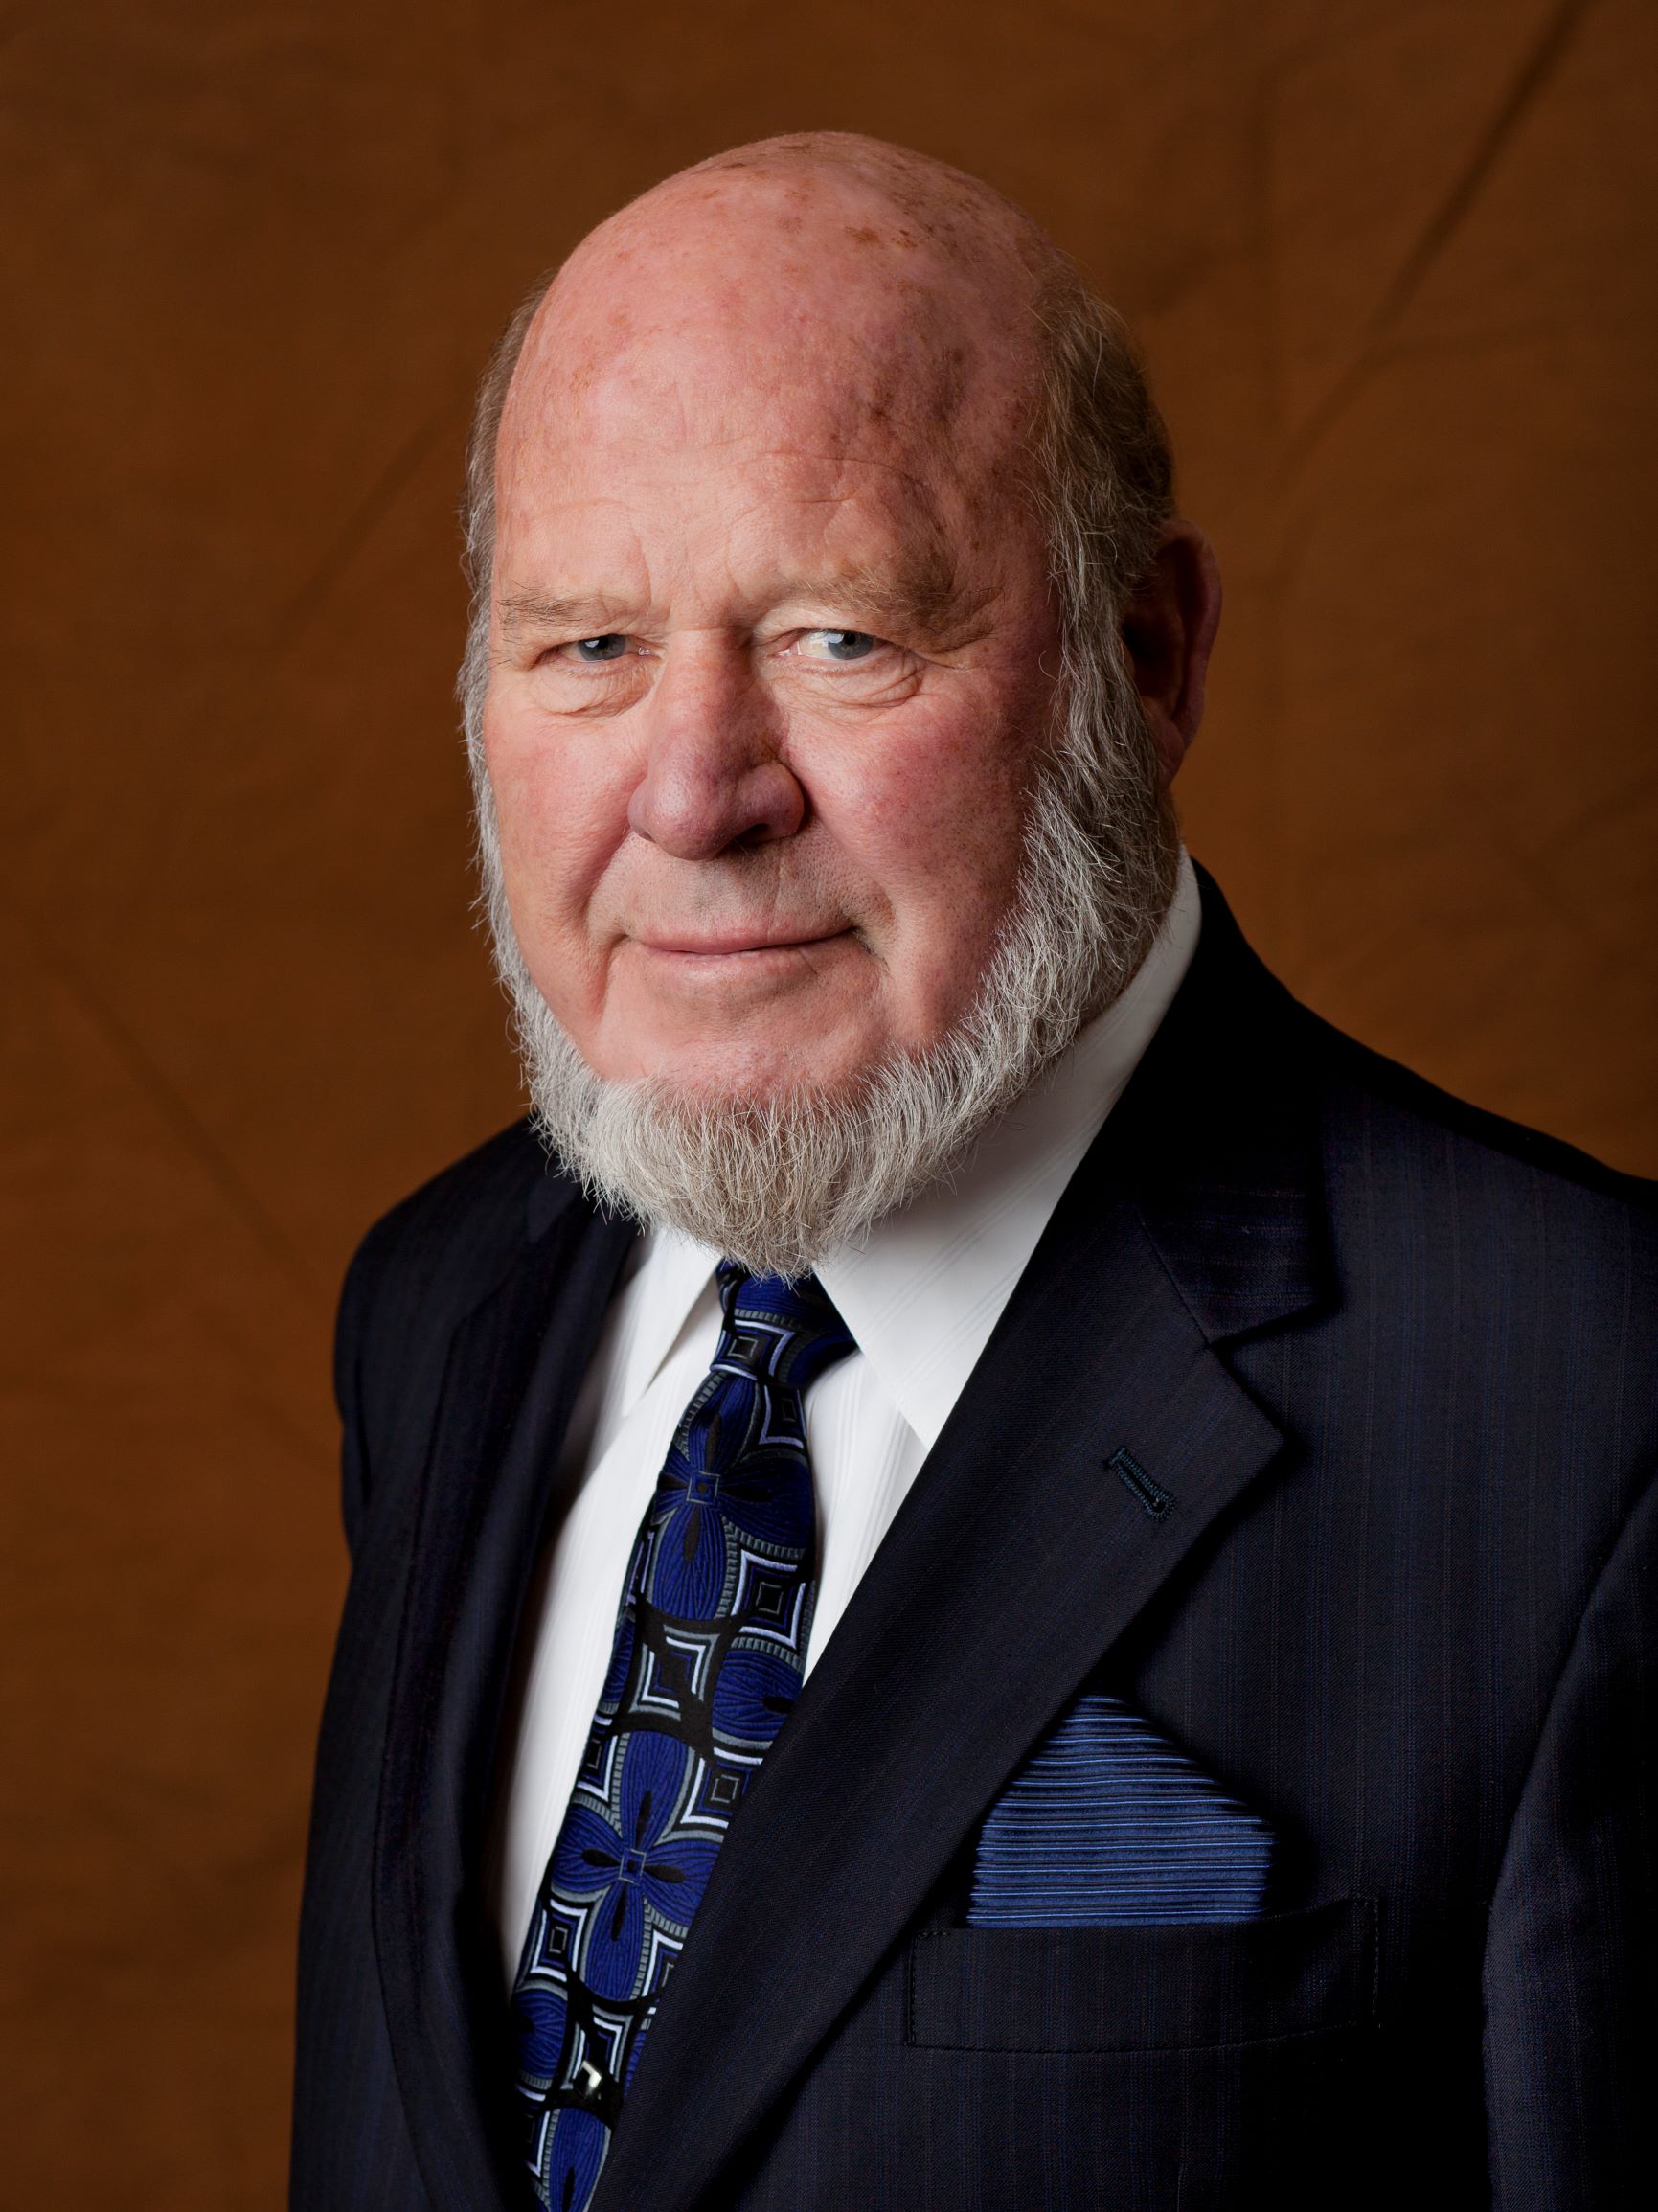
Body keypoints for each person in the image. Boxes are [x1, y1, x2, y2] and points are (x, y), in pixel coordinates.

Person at [290, 133, 1655, 2212]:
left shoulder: (1584, 1408)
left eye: (840, 636)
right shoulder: (437, 1306)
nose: (692, 792)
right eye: (589, 645)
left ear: (1147, 657)